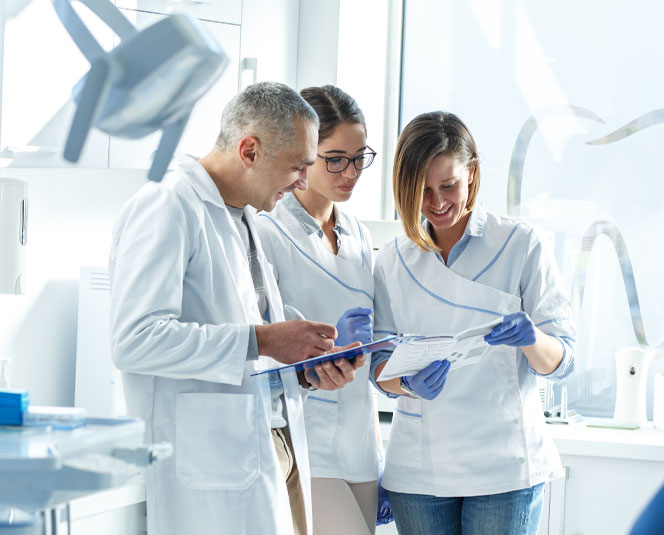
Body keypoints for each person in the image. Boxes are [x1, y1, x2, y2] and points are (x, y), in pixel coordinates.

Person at [108, 81, 365, 535]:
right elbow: (135, 340)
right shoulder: (168, 204)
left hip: (273, 446)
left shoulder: (243, 216)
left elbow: (249, 350)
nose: (302, 182)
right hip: (212, 462)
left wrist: (306, 370)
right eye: (297, 167)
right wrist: (264, 339)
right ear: (249, 151)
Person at [370, 111, 576, 535]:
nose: (437, 203)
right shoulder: (392, 259)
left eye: (448, 185)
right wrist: (407, 383)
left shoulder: (520, 245)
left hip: (503, 468)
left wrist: (532, 339)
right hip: (420, 470)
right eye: (422, 190)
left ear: (473, 173)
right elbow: (379, 367)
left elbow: (564, 361)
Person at [255, 85, 387, 534]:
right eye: (335, 159)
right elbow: (259, 350)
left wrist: (378, 453)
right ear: (306, 154)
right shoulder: (268, 232)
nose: (350, 173)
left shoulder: (358, 234)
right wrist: (320, 353)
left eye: (359, 158)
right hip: (305, 440)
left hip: (360, 444)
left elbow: (369, 349)